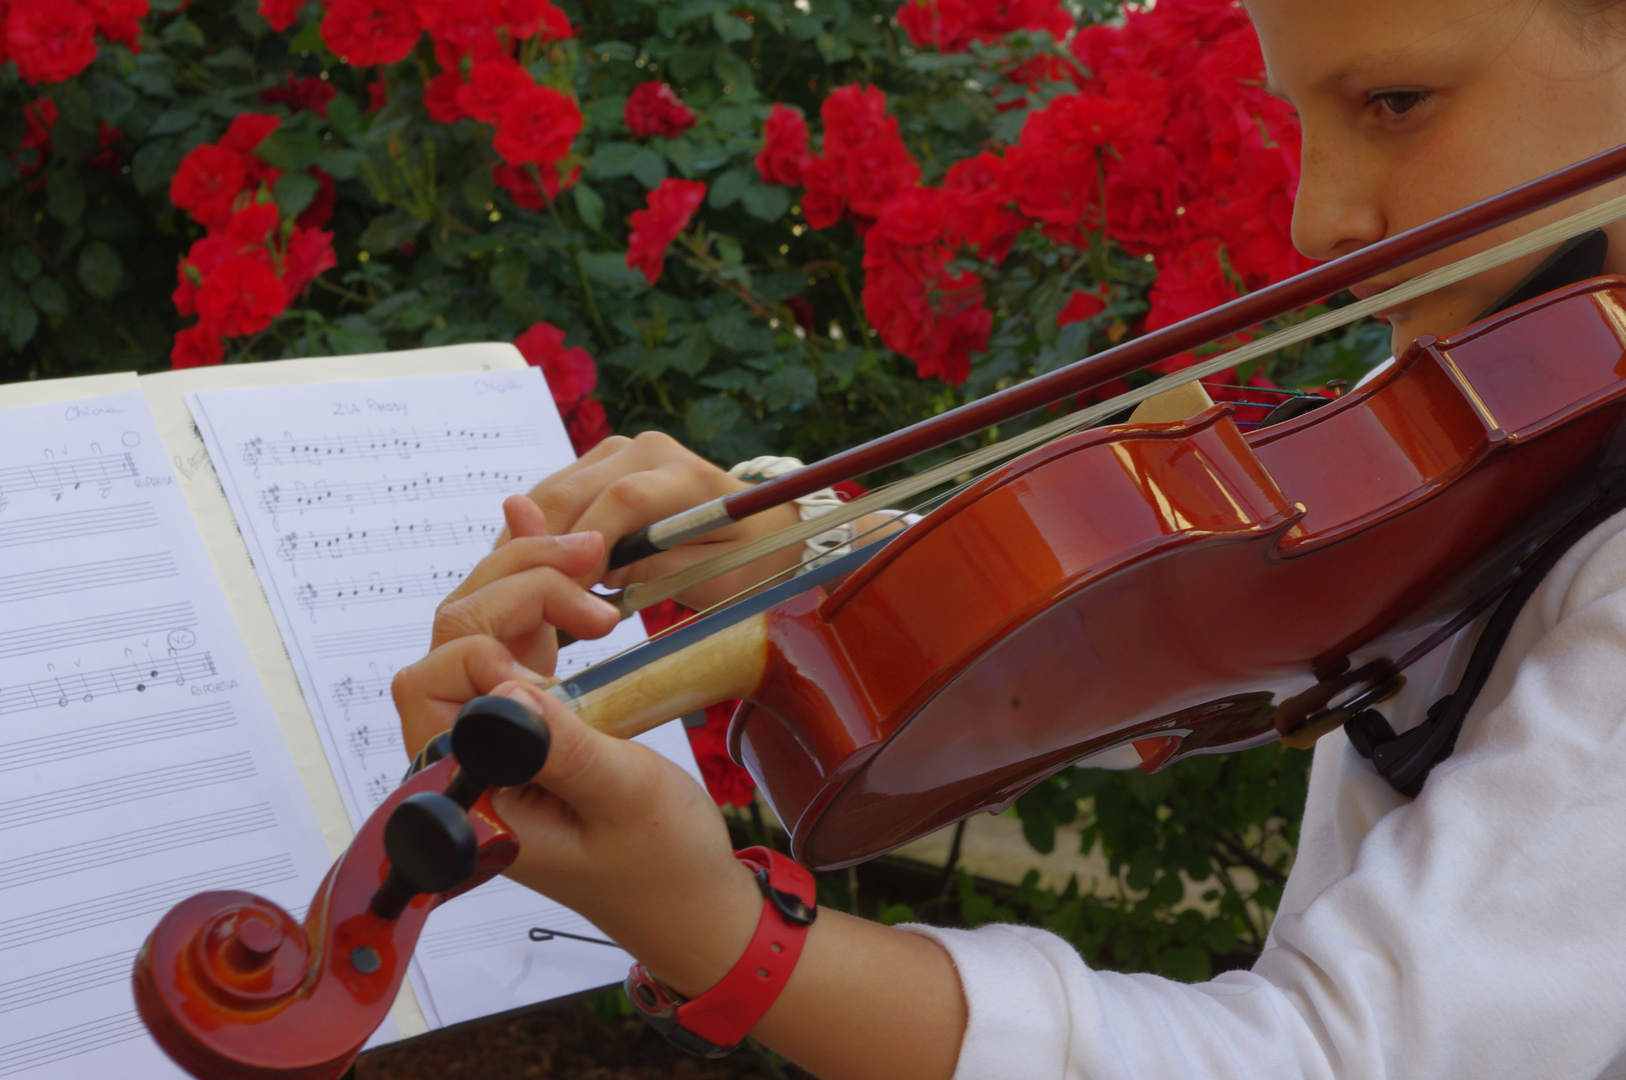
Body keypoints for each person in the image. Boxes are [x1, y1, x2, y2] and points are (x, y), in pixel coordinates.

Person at [389, 2, 1626, 1077]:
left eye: (1396, 101)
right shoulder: (1528, 388)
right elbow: (1195, 637)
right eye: (1307, 114)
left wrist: (733, 942)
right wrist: (807, 566)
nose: (1317, 220)